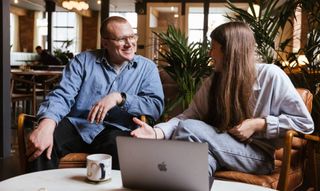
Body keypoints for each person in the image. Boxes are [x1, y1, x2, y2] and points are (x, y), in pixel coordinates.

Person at [131, 22, 314, 176]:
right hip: (221, 147)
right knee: (201, 160)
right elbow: (189, 115)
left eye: (213, 48)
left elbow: (305, 124)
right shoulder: (213, 81)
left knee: (189, 129)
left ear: (230, 51)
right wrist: (157, 133)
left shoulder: (271, 75)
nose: (210, 54)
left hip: (259, 157)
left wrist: (259, 124)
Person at [27, 16, 164, 172]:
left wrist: (120, 97)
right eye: (121, 39)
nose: (130, 43)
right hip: (78, 125)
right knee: (41, 144)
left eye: (132, 36)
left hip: (118, 130)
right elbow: (62, 95)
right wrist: (46, 124)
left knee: (127, 152)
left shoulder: (147, 68)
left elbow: (155, 106)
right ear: (105, 42)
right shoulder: (82, 62)